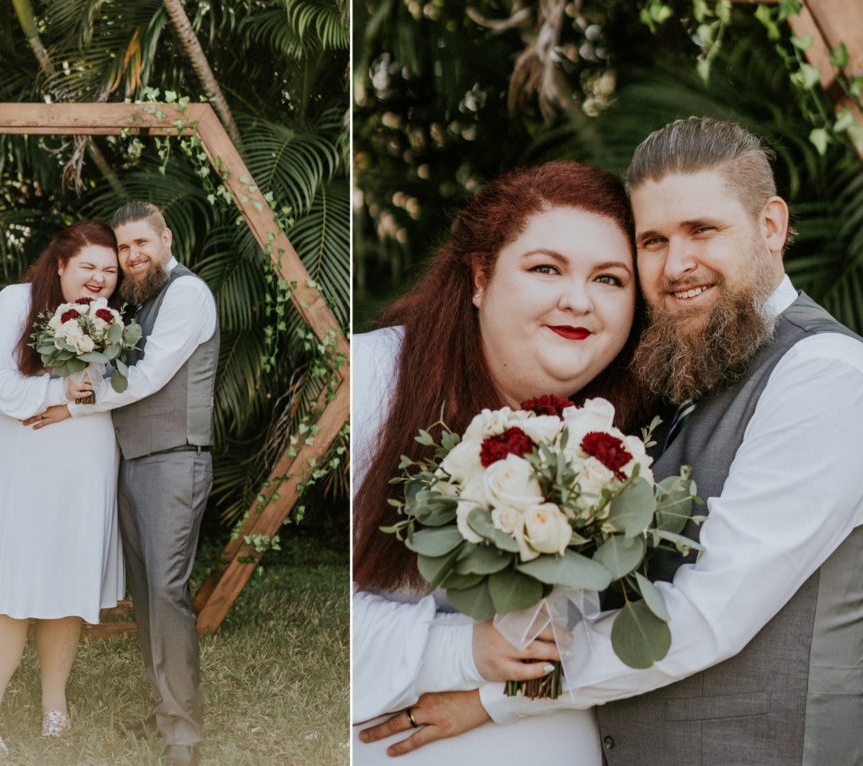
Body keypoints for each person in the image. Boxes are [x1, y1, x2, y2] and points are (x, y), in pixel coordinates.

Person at [369, 117, 863, 766]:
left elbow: (708, 617)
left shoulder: (826, 375)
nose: (676, 263)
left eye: (702, 231)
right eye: (653, 241)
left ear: (771, 225)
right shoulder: (683, 366)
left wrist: (492, 697)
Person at [353, 160, 648, 763]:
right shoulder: (370, 383)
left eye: (610, 280)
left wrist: (496, 696)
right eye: (546, 269)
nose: (579, 301)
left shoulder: (628, 438)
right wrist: (461, 651)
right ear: (481, 277)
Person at [30, 201, 219, 766]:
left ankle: (183, 732)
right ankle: (167, 710)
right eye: (125, 248)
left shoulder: (187, 294)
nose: (133, 256)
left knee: (166, 592)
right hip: (135, 459)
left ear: (165, 238)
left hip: (174, 460)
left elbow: (151, 375)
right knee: (146, 593)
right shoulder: (140, 300)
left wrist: (77, 405)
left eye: (142, 244)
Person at [0, 221, 125, 752]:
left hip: (85, 459)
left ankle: (54, 706)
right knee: (12, 589)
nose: (99, 280)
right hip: (22, 458)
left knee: (66, 584)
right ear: (60, 265)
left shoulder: (113, 322)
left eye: (109, 270)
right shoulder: (15, 303)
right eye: (88, 267)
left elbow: (116, 393)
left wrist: (75, 403)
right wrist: (58, 391)